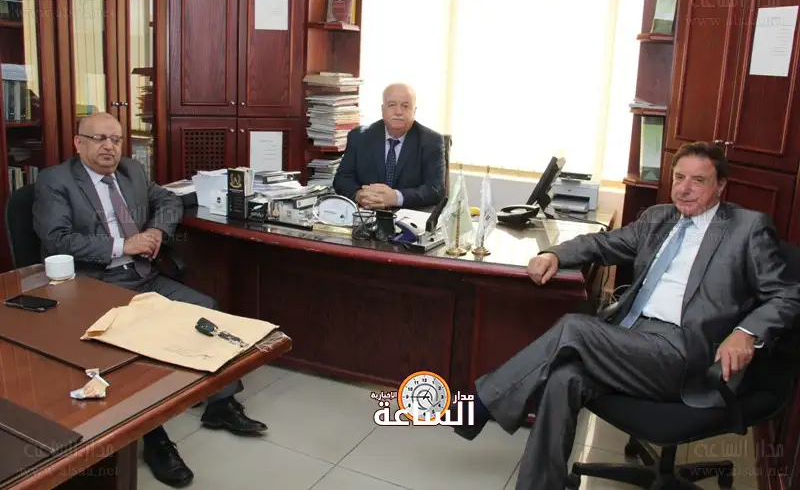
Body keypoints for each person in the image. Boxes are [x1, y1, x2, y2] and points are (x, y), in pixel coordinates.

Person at [451, 141, 800, 490]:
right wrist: (554, 254)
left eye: (698, 180)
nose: (685, 188)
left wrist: (746, 332)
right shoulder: (659, 217)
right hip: (632, 339)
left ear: (720, 185)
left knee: (575, 328)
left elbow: (786, 294)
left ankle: (479, 404)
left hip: (686, 353)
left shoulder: (747, 228)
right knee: (564, 378)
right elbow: (602, 244)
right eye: (679, 177)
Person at [32, 112, 268, 488]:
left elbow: (170, 200)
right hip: (96, 286)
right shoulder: (55, 181)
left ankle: (221, 404)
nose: (109, 147)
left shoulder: (132, 171)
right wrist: (122, 245)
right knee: (133, 356)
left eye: (115, 139)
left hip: (144, 276)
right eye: (98, 139)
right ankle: (156, 442)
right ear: (78, 143)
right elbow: (57, 239)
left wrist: (157, 229)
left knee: (206, 309)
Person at [333, 83, 446, 209]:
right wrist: (359, 195)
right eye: (392, 105)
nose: (398, 112)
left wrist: (396, 197)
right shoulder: (359, 137)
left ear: (414, 111)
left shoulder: (431, 141)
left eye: (405, 106)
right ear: (383, 109)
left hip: (409, 215)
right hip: (367, 213)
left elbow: (436, 189)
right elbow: (341, 180)